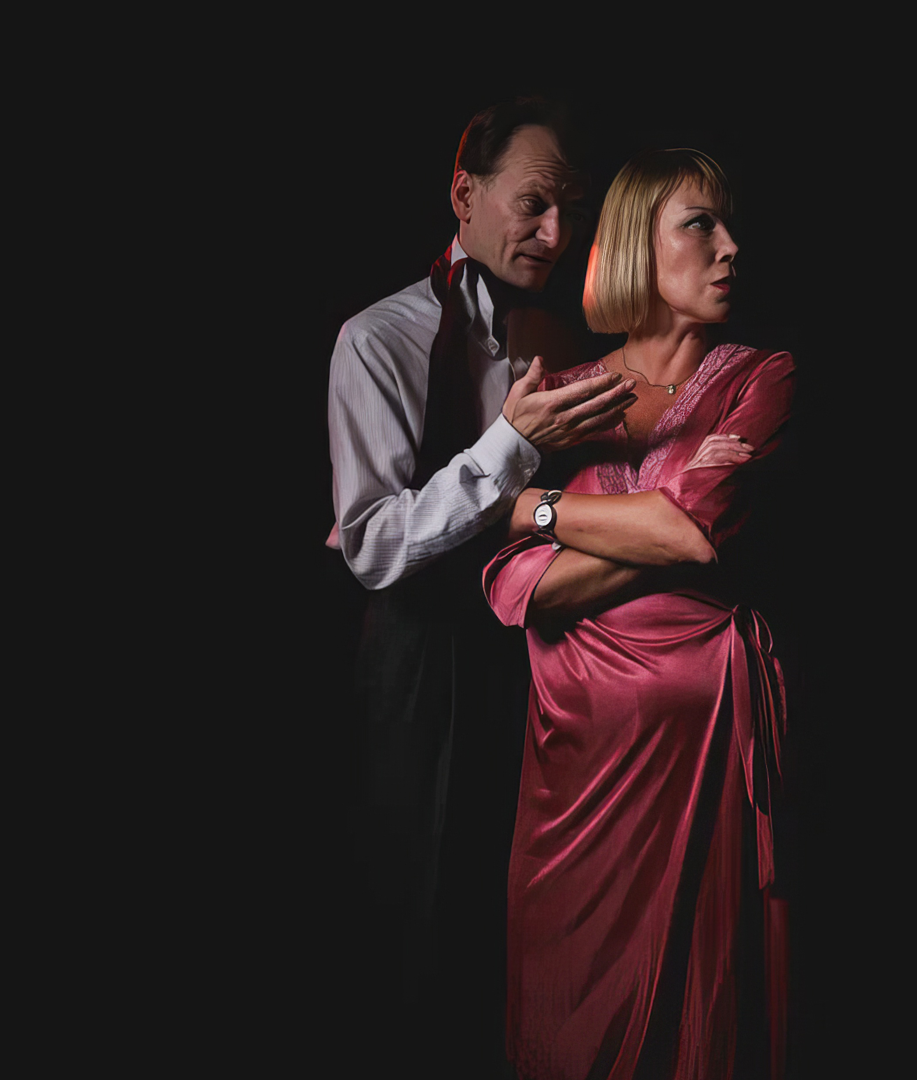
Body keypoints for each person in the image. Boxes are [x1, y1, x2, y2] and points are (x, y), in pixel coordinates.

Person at [326, 99, 638, 1067]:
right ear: (464, 194)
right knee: (418, 924)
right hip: (423, 669)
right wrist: (510, 445)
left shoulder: (570, 336)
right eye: (534, 204)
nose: (556, 232)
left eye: (572, 210)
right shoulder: (376, 339)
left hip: (550, 657)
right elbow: (373, 545)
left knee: (532, 921)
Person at [483, 149, 794, 1079]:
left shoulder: (763, 376)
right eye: (701, 224)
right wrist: (645, 528)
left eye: (730, 225)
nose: (731, 247)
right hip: (572, 775)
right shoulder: (559, 393)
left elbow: (695, 533)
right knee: (562, 1017)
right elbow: (512, 585)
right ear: (635, 245)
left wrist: (531, 509)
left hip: (703, 760)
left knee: (702, 1015)